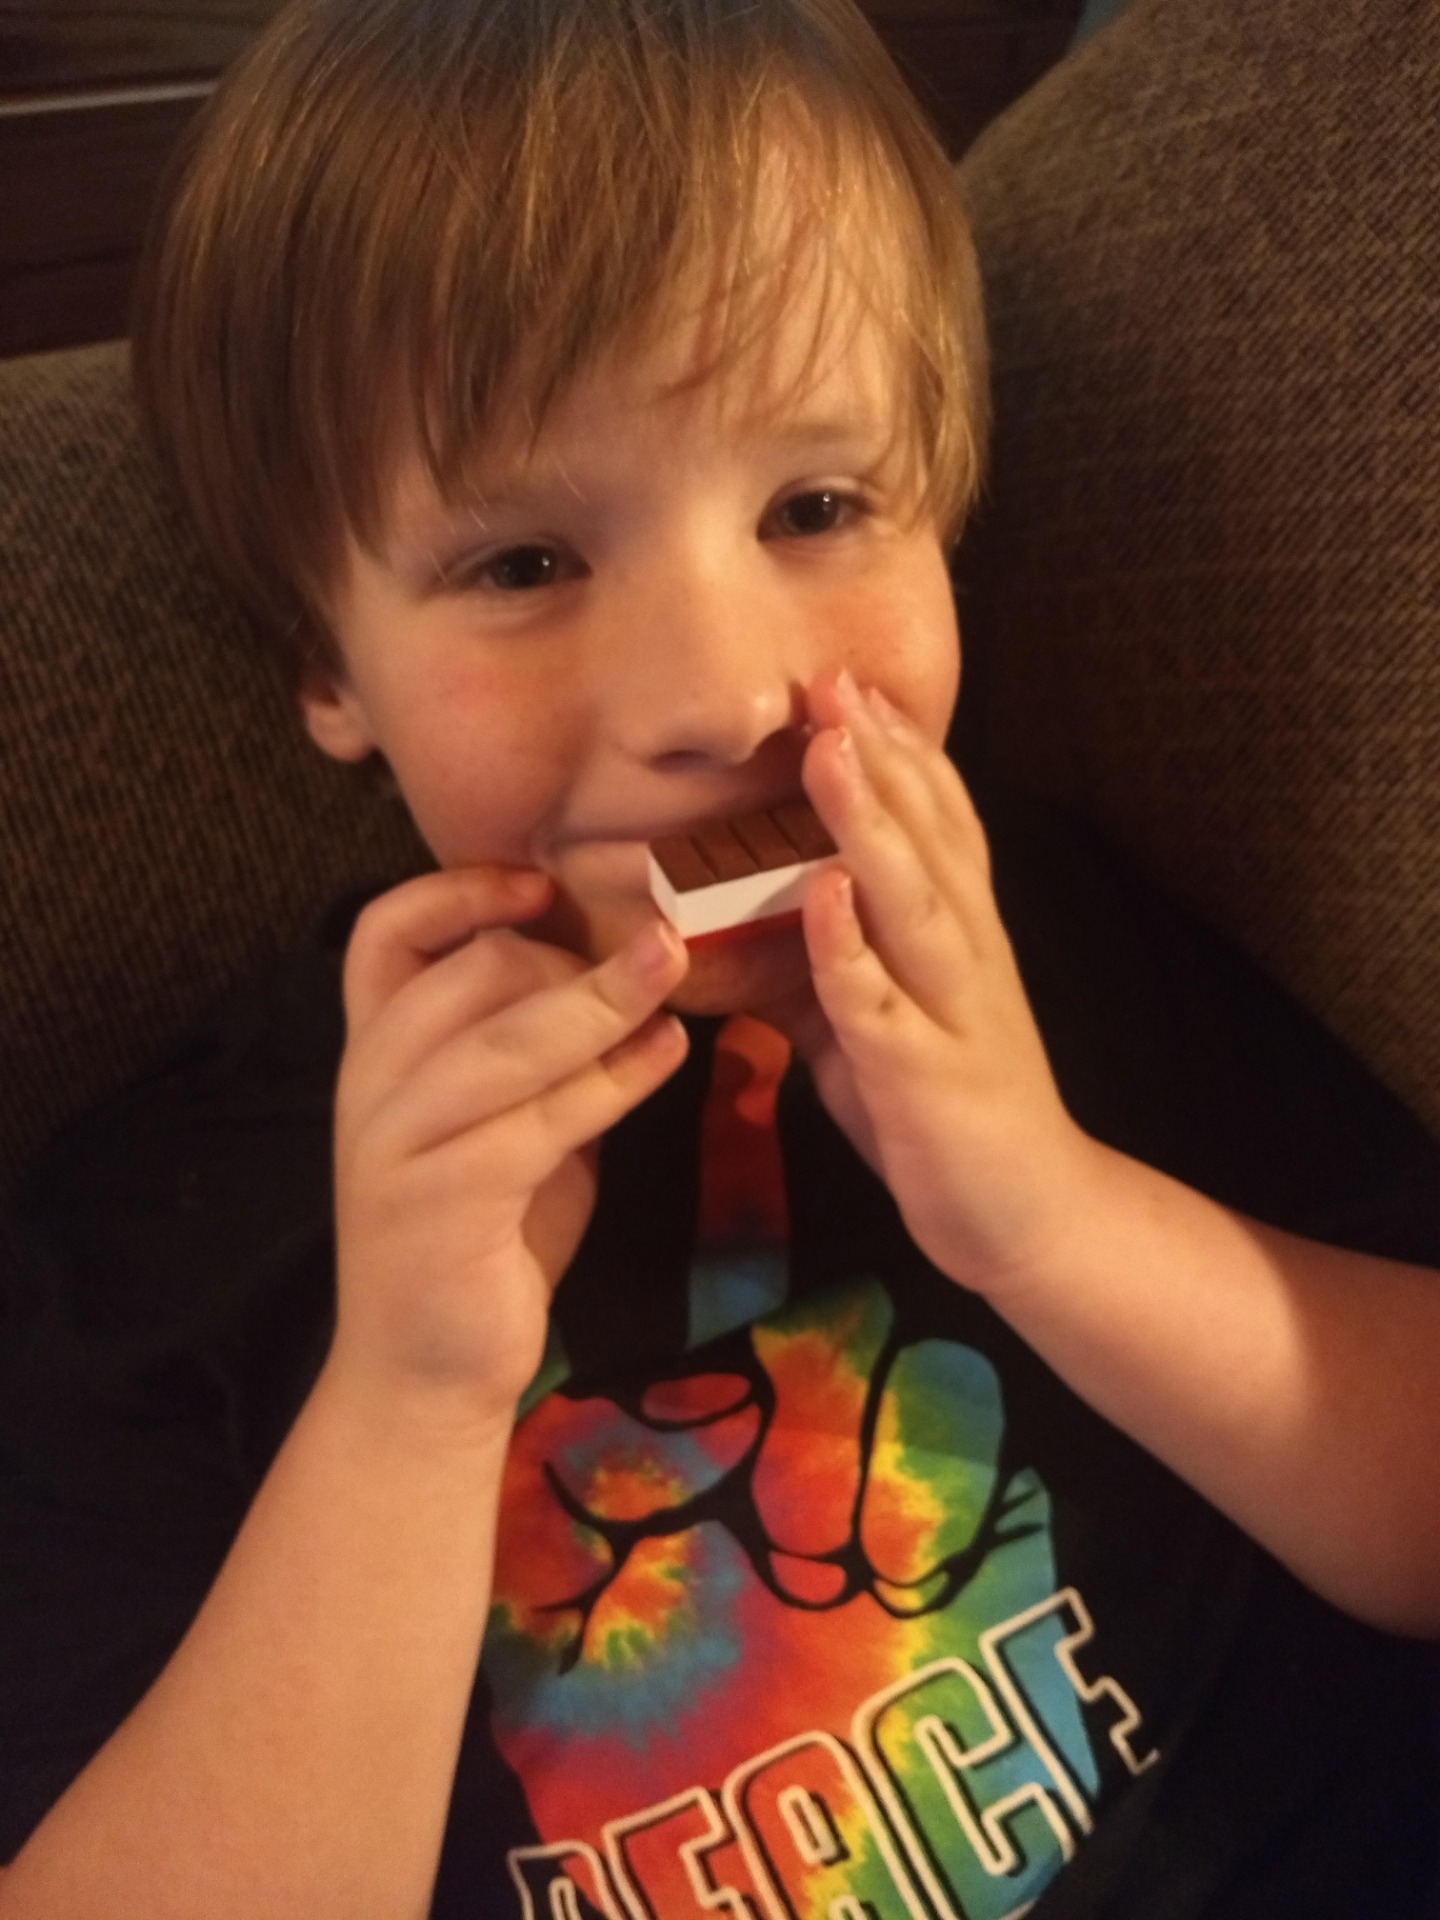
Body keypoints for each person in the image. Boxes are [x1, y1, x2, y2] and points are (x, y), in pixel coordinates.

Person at [1, 0, 1438, 1914]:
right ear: (329, 666)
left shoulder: (1062, 950)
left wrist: (1054, 1215)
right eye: (524, 564)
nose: (722, 700)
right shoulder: (165, 1231)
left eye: (816, 509)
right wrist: (409, 1401)